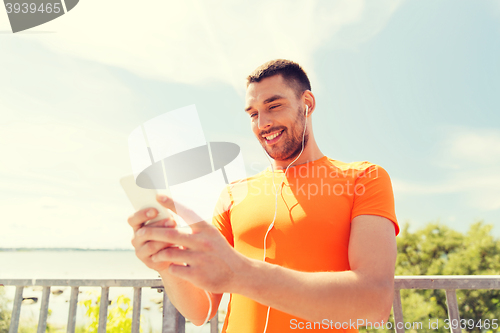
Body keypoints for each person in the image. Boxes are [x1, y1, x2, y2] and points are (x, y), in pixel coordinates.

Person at [128, 59, 399, 333]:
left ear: (307, 103)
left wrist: (242, 275)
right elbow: (201, 311)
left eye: (273, 106)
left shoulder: (365, 178)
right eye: (253, 114)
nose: (263, 123)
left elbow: (373, 304)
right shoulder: (233, 194)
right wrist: (165, 262)